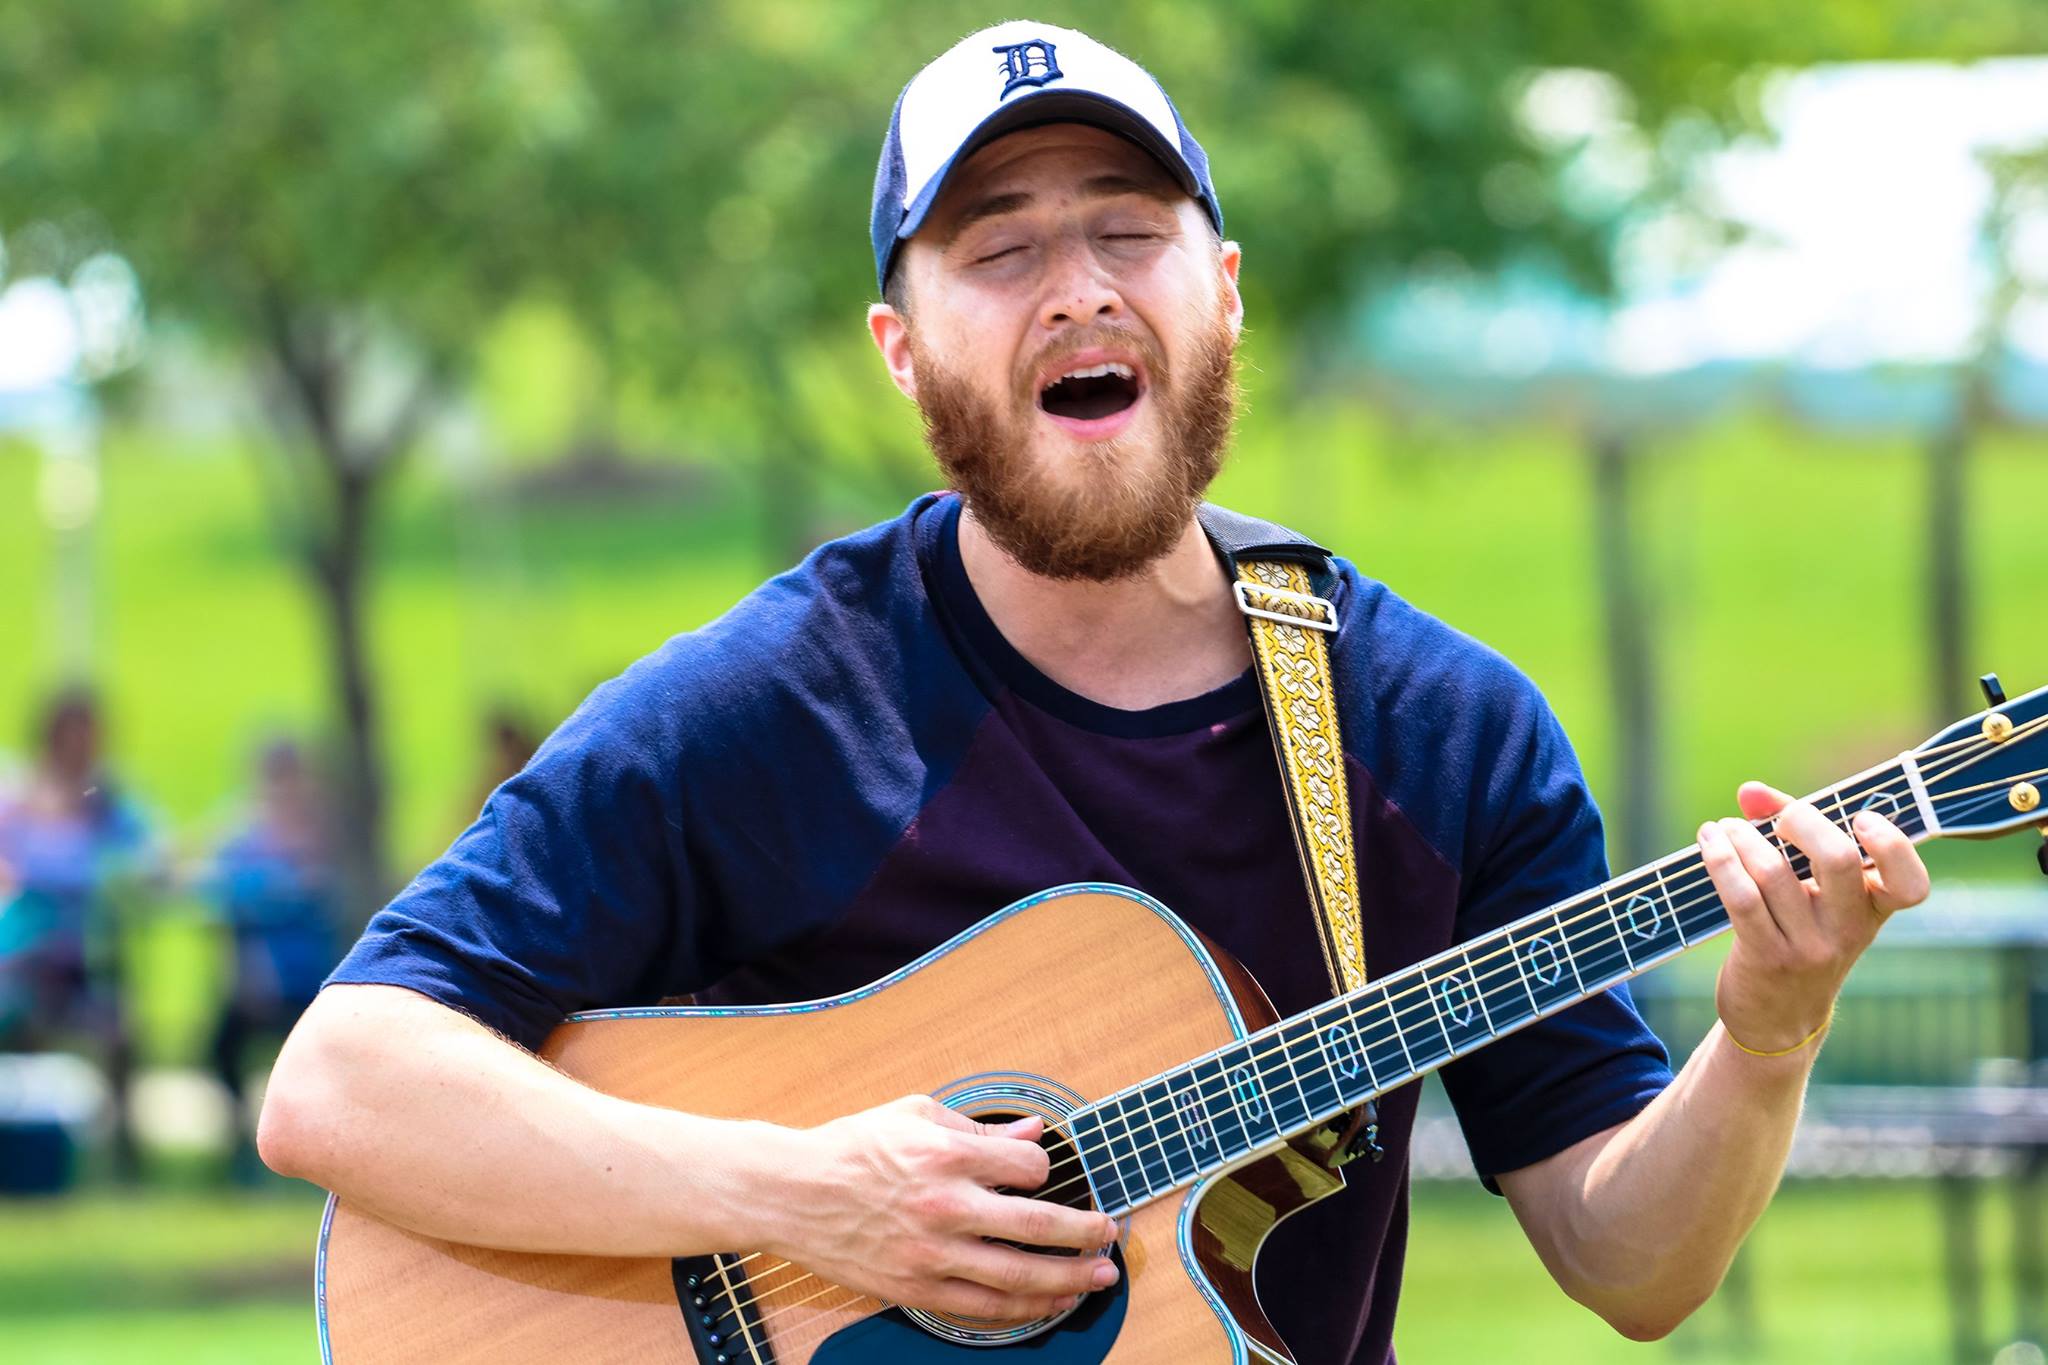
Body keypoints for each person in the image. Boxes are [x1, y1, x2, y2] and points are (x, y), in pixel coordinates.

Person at [257, 21, 1931, 1359]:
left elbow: (1627, 1262)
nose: (1076, 286)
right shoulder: (776, 708)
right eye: (998, 250)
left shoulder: (1431, 734)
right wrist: (816, 1196)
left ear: (1223, 295)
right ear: (899, 347)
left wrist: (1766, 1038)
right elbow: (344, 1081)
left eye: (1129, 230)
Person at [0, 685, 159, 1177]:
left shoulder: (110, 804)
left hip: (86, 961)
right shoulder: (19, 799)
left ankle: (120, 1159)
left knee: (121, 1033)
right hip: (25, 962)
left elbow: (150, 862)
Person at [205, 737, 342, 1178]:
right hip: (260, 984)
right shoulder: (245, 840)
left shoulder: (329, 838)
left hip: (317, 984)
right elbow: (223, 899)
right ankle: (242, 1148)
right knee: (221, 1047)